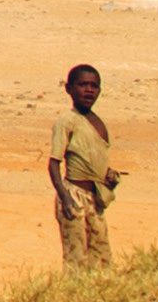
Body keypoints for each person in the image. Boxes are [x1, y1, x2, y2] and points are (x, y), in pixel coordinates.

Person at [48, 63, 122, 268]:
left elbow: (93, 159)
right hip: (74, 196)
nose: (89, 90)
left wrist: (108, 177)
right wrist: (65, 197)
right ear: (69, 89)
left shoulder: (97, 122)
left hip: (94, 200)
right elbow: (54, 163)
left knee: (102, 257)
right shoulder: (67, 121)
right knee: (76, 257)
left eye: (94, 85)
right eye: (82, 84)